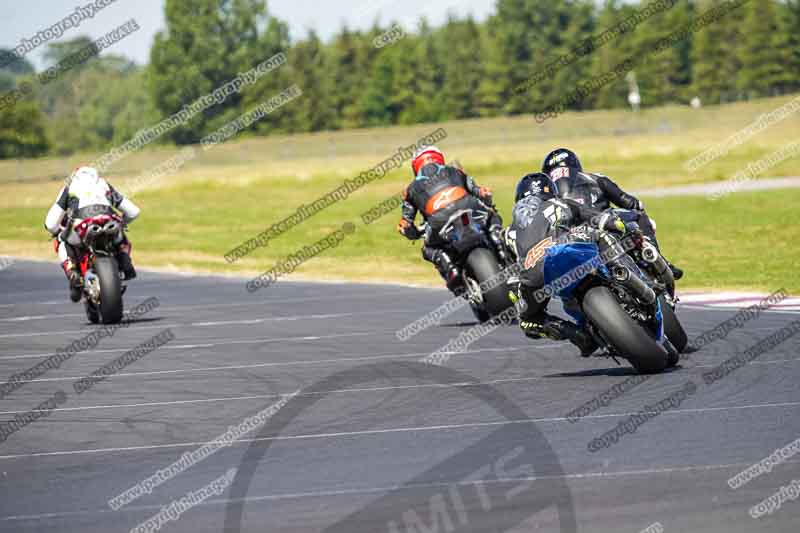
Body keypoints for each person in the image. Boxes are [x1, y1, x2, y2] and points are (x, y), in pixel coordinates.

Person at [510, 172, 633, 357]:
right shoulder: (559, 203)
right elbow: (599, 218)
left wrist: (518, 296)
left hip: (534, 273)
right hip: (565, 247)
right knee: (601, 234)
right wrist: (621, 225)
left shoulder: (510, 230)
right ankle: (625, 272)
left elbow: (510, 274)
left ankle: (577, 334)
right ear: (550, 191)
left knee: (528, 321)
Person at [541, 148, 683, 280]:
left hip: (573, 237)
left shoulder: (546, 195)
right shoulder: (594, 178)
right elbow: (631, 203)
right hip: (607, 222)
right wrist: (637, 208)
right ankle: (656, 257)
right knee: (639, 217)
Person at [397, 146, 504, 292]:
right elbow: (479, 192)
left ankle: (450, 268)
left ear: (416, 166)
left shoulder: (410, 189)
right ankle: (498, 242)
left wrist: (410, 230)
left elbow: (406, 223)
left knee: (428, 248)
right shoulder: (455, 170)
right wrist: (486, 197)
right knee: (491, 215)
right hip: (467, 206)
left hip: (438, 221)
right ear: (440, 159)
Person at [44, 166, 140, 302]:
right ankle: (125, 261)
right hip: (109, 220)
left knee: (61, 238)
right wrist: (123, 222)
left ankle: (72, 271)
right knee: (120, 228)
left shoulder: (69, 188)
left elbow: (51, 224)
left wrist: (56, 232)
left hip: (81, 224)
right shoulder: (104, 185)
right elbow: (133, 212)